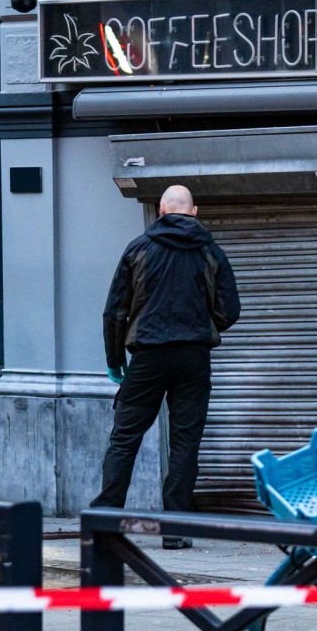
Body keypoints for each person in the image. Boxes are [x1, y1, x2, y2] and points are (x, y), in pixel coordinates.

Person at [92, 184, 240, 547]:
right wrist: (202, 326)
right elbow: (230, 310)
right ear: (194, 212)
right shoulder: (210, 251)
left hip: (148, 355)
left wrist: (115, 362)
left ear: (160, 210)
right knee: (185, 442)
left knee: (125, 439)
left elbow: (115, 311)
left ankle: (106, 521)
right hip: (194, 356)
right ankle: (175, 529)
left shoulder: (139, 249)